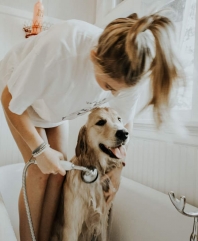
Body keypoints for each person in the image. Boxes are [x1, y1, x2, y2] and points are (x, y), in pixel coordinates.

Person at [0, 11, 182, 241]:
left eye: (119, 90)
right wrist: (39, 149)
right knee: (38, 171)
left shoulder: (129, 70)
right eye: (108, 86)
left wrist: (118, 170)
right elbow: (9, 100)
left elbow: (125, 122)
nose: (114, 94)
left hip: (56, 108)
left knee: (59, 174)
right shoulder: (62, 48)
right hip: (20, 98)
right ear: (94, 56)